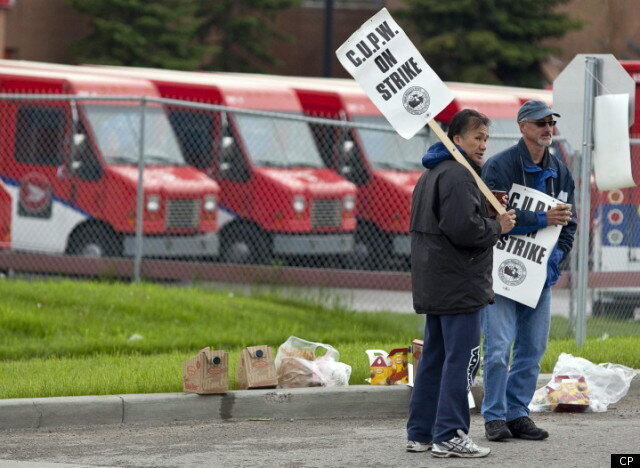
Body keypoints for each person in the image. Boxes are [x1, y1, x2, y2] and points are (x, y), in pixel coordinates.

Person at [406, 109, 516, 458]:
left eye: (486, 138)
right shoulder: (458, 176)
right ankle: (450, 434)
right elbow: (464, 230)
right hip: (459, 285)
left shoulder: (434, 173)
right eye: (476, 137)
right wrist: (498, 225)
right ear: (456, 139)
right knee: (464, 360)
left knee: (434, 359)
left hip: (437, 283)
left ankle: (421, 433)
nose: (483, 144)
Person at [480, 100, 576, 442]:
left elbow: (569, 224)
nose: (548, 128)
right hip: (502, 274)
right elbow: (495, 221)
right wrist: (541, 219)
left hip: (541, 278)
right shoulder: (498, 167)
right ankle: (493, 416)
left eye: (551, 122)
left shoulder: (561, 171)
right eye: (540, 123)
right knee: (497, 347)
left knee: (533, 349)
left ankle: (517, 413)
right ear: (523, 127)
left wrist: (556, 259)